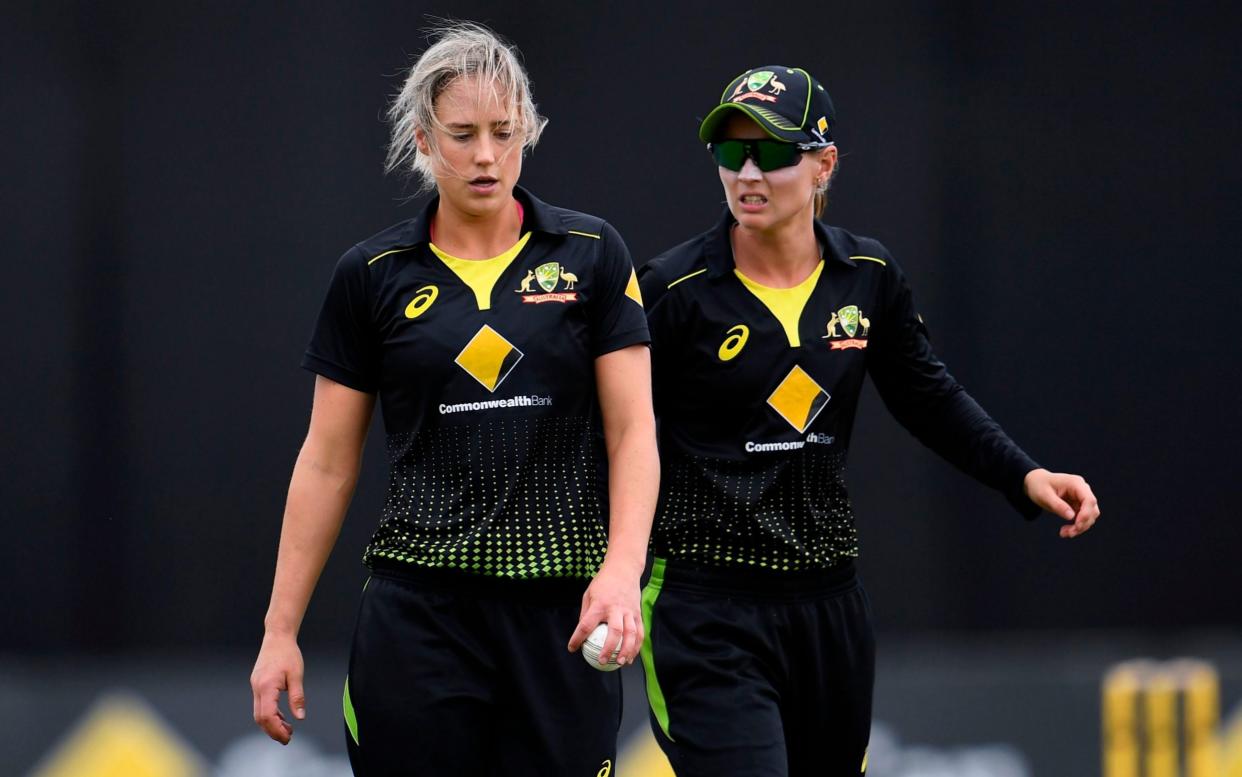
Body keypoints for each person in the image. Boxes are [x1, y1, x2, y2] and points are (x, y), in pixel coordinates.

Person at [636, 65, 1100, 776]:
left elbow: (927, 396)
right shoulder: (673, 289)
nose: (748, 173)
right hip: (707, 608)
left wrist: (1023, 473)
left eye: (772, 151)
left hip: (828, 606)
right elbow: (617, 432)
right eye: (731, 152)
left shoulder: (868, 275)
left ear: (824, 164)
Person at [249, 22, 657, 777]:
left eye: (504, 132)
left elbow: (633, 430)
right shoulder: (371, 274)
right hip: (419, 619)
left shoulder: (593, 253)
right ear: (422, 139)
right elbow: (328, 460)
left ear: (528, 131)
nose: (485, 155)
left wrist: (622, 569)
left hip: (558, 615)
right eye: (462, 134)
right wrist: (280, 630)